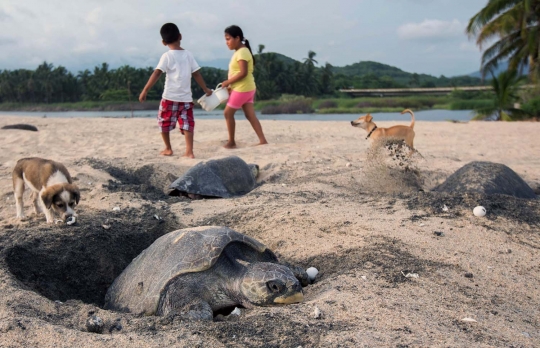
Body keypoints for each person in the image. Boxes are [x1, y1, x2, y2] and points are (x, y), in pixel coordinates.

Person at [139, 23, 211, 158]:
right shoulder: (188, 55)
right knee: (188, 123)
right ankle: (189, 151)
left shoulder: (166, 56)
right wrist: (205, 89)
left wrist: (145, 90)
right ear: (180, 36)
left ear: (163, 42)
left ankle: (168, 148)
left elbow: (156, 73)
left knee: (163, 122)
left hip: (169, 97)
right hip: (186, 99)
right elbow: (196, 74)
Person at [221, 25, 268, 149]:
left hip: (243, 88)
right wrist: (231, 85)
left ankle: (231, 142)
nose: (227, 43)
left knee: (227, 113)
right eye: (226, 39)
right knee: (250, 115)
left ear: (237, 38)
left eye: (228, 39)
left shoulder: (242, 52)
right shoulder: (241, 51)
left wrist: (227, 82)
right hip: (246, 88)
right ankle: (262, 140)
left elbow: (243, 73)